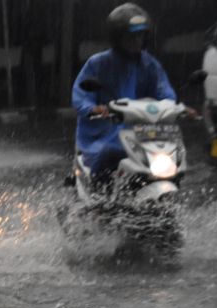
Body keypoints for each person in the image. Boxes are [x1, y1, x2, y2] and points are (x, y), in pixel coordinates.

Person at [71, 3, 177, 182]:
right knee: (109, 153)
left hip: (143, 129)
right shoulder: (98, 64)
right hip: (105, 132)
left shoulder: (150, 65)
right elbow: (81, 95)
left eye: (140, 36)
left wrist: (173, 107)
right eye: (131, 36)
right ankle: (99, 199)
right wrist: (95, 109)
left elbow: (165, 92)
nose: (137, 41)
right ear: (117, 38)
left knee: (174, 154)